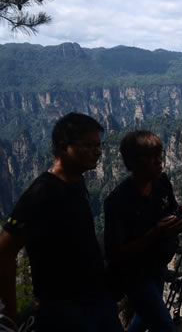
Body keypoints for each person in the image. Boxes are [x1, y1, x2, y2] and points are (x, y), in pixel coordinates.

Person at [0, 112, 123, 332]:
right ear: (63, 147)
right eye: (88, 145)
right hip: (64, 310)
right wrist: (10, 312)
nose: (97, 151)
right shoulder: (41, 193)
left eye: (98, 145)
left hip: (97, 301)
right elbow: (5, 250)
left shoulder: (76, 181)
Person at [104, 131, 182, 332]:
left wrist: (180, 215)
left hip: (158, 264)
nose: (160, 161)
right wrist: (155, 233)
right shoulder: (118, 201)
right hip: (134, 274)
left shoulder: (162, 183)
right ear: (135, 162)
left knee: (144, 318)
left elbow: (172, 209)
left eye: (160, 155)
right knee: (164, 326)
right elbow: (115, 253)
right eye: (152, 157)